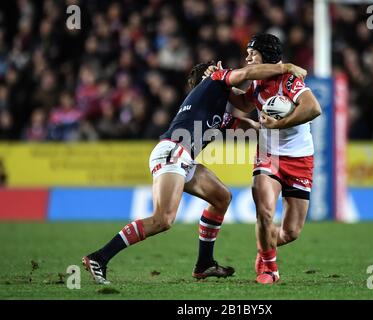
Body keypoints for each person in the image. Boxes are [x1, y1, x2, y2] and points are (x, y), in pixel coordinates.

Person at [82, 59, 308, 284]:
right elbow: (248, 73)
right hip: (173, 152)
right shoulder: (215, 80)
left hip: (183, 158)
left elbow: (247, 125)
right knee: (163, 220)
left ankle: (204, 264)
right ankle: (99, 258)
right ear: (210, 74)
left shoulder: (214, 107)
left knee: (221, 197)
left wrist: (281, 122)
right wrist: (285, 68)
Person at [208, 33, 321, 284]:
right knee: (265, 212)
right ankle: (269, 269)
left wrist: (282, 122)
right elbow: (244, 103)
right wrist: (218, 82)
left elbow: (313, 108)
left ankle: (264, 249)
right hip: (268, 155)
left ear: (267, 56)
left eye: (253, 52)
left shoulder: (289, 80)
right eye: (247, 52)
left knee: (291, 232)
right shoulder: (257, 82)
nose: (248, 56)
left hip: (300, 159)